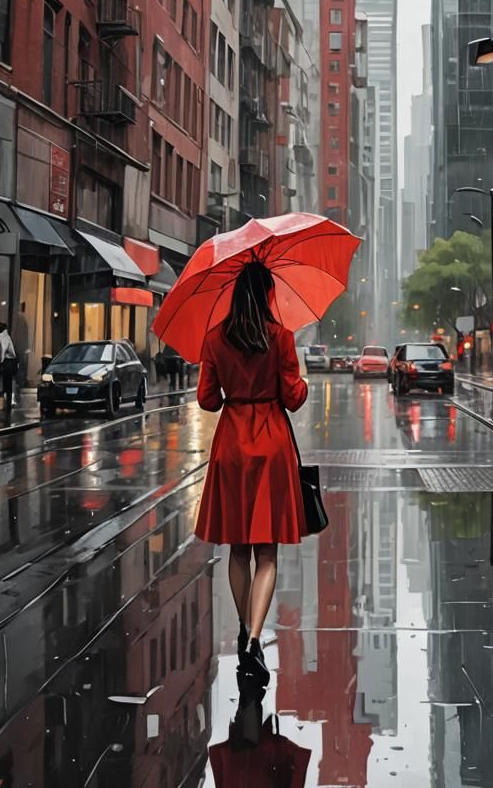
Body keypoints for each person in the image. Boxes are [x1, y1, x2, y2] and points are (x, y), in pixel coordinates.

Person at [194, 262, 309, 687]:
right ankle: (255, 640)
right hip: (271, 444)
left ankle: (245, 629)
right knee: (267, 554)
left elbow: (207, 400)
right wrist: (300, 384)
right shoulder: (280, 336)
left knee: (238, 549)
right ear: (266, 294)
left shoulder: (214, 338)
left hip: (231, 444)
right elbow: (293, 397)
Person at [0, 321, 18, 409]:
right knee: (8, 382)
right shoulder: (6, 337)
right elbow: (7, 350)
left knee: (2, 381)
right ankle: (8, 401)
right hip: (7, 361)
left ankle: (5, 400)